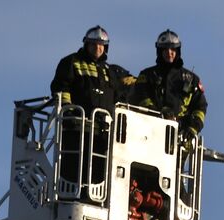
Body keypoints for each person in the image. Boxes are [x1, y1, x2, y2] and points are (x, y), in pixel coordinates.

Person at [50, 26, 134, 189]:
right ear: (87, 45)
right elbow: (61, 87)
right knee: (73, 170)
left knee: (98, 172)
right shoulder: (71, 62)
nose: (98, 48)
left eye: (101, 45)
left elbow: (119, 94)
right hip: (77, 128)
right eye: (94, 44)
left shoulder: (108, 71)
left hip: (101, 132)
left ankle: (91, 195)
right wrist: (69, 110)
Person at [133, 30, 207, 138]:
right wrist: (159, 113)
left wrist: (192, 128)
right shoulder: (148, 75)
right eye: (165, 49)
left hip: (181, 137)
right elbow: (140, 97)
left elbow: (200, 106)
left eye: (173, 49)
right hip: (150, 133)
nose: (169, 53)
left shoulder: (192, 79)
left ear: (178, 51)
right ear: (159, 51)